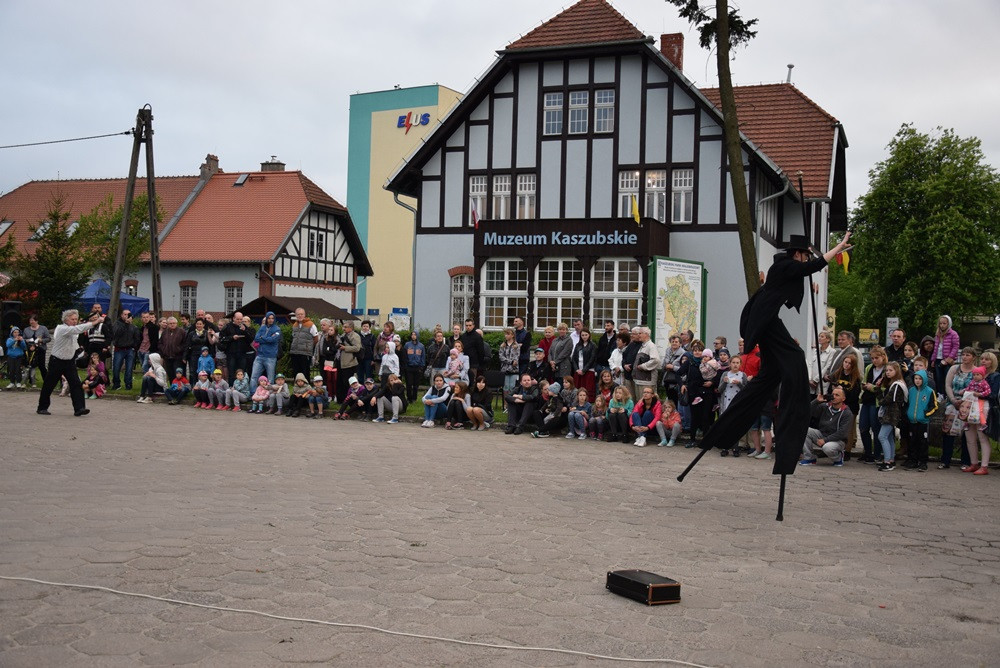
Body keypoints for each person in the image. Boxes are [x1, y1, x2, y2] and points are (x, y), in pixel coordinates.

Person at [690, 232, 853, 480]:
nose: (806, 259)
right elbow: (815, 266)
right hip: (764, 322)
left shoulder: (784, 266)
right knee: (796, 359)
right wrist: (838, 248)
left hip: (764, 320)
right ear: (798, 253)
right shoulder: (786, 265)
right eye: (805, 255)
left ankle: (729, 430)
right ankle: (792, 420)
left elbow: (810, 267)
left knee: (771, 373)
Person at [37, 309, 107, 416]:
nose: (75, 321)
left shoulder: (73, 331)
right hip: (57, 361)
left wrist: (79, 352)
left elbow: (74, 342)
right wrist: (95, 322)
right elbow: (78, 329)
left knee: (76, 384)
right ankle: (42, 407)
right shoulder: (62, 328)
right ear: (66, 320)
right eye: (72, 319)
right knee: (49, 384)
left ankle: (79, 408)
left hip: (69, 362)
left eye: (76, 319)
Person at [939, 347, 977, 469]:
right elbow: (948, 385)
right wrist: (953, 400)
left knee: (967, 434)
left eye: (968, 355)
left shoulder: (976, 371)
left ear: (974, 357)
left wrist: (964, 401)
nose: (965, 357)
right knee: (948, 431)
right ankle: (945, 460)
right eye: (964, 354)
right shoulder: (954, 368)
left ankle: (965, 461)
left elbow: (977, 387)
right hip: (953, 402)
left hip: (968, 405)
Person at [798, 386, 854, 467]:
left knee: (827, 448)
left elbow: (842, 433)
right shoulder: (825, 406)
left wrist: (825, 440)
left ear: (843, 399)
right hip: (822, 434)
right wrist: (817, 401)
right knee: (803, 429)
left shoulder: (847, 413)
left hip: (838, 440)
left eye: (837, 395)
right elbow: (807, 411)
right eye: (832, 394)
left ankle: (838, 457)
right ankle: (810, 458)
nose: (833, 397)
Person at [875, 361, 908, 471]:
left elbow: (886, 401)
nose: (888, 373)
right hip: (891, 413)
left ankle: (887, 461)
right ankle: (891, 459)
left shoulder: (897, 385)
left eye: (890, 370)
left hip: (891, 414)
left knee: (882, 436)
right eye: (886, 370)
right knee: (889, 437)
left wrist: (877, 390)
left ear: (897, 371)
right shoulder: (894, 384)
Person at [902, 369, 937, 471]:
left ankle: (923, 462)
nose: (917, 381)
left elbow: (934, 406)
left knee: (923, 442)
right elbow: (907, 404)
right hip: (912, 421)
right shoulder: (911, 390)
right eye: (916, 378)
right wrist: (907, 414)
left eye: (920, 379)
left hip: (923, 422)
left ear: (924, 379)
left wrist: (925, 414)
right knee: (912, 441)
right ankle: (913, 460)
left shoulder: (929, 392)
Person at [960, 365, 992, 475]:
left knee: (982, 437)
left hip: (981, 408)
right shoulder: (972, 382)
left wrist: (979, 394)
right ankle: (974, 463)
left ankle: (984, 466)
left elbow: (989, 392)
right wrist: (963, 391)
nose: (975, 376)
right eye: (974, 374)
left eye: (977, 374)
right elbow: (968, 388)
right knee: (970, 438)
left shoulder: (985, 382)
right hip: (969, 407)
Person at [859, 345, 887, 464]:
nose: (874, 360)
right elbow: (865, 381)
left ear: (883, 357)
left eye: (877, 358)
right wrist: (865, 385)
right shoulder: (869, 367)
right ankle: (867, 452)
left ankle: (877, 454)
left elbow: (885, 388)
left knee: (876, 428)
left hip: (877, 402)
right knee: (863, 427)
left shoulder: (886, 369)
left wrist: (873, 387)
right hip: (866, 400)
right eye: (872, 358)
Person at [717, 354, 747, 457]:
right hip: (726, 403)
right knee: (725, 426)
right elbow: (719, 390)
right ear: (730, 364)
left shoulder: (743, 375)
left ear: (740, 364)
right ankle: (725, 447)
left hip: (737, 403)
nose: (735, 365)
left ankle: (735, 447)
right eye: (733, 363)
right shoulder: (725, 374)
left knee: (735, 426)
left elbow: (746, 391)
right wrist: (724, 382)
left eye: (737, 363)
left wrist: (739, 383)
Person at [287, 308, 318, 380]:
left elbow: (316, 338)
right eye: (298, 314)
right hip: (295, 352)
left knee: (305, 373)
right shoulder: (294, 325)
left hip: (305, 353)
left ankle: (307, 389)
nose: (300, 316)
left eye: (302, 314)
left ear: (304, 315)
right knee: (296, 372)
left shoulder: (311, 324)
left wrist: (309, 347)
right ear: (296, 315)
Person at [932, 315, 960, 393]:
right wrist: (933, 359)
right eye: (940, 323)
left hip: (947, 360)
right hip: (938, 359)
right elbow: (936, 348)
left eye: (944, 323)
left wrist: (949, 358)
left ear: (948, 324)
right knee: (939, 378)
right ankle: (941, 394)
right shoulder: (938, 334)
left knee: (948, 379)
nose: (942, 325)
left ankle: (948, 394)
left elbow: (955, 347)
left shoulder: (953, 334)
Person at [252, 311, 282, 383]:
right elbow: (256, 339)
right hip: (260, 355)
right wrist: (267, 338)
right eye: (269, 318)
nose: (271, 320)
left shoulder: (277, 329)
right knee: (254, 376)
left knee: (270, 378)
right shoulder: (262, 328)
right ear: (266, 319)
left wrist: (262, 337)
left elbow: (272, 340)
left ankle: (270, 393)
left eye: (272, 318)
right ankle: (253, 392)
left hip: (270, 357)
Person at [23, 315, 51, 388]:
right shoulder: (26, 329)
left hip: (41, 349)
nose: (31, 322)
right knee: (30, 365)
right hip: (30, 350)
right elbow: (24, 339)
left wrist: (41, 340)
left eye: (33, 320)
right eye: (30, 320)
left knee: (42, 366)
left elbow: (48, 338)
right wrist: (28, 342)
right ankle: (30, 381)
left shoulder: (43, 328)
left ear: (37, 321)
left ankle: (47, 382)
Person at [337, 321, 362, 402]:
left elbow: (357, 348)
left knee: (347, 382)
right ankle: (341, 399)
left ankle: (349, 399)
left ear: (351, 328)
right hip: (341, 362)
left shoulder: (355, 336)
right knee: (340, 382)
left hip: (350, 362)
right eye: (343, 327)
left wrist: (345, 348)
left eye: (345, 327)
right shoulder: (343, 335)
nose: (343, 328)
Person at [632, 328, 661, 398]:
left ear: (646, 334)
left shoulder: (651, 346)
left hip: (647, 382)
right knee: (640, 403)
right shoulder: (642, 346)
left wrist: (642, 366)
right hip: (639, 380)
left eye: (640, 333)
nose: (638, 335)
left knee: (646, 403)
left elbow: (656, 360)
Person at [157, 317, 188, 381]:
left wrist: (179, 349)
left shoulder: (182, 332)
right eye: (170, 323)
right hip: (167, 357)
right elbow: (160, 343)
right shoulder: (165, 332)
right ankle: (172, 387)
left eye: (174, 323)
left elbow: (185, 344)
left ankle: (181, 388)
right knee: (170, 374)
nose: (172, 324)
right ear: (168, 324)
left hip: (178, 357)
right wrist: (164, 349)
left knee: (178, 373)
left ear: (176, 324)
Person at [571, 327, 597, 402]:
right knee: (578, 389)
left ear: (589, 335)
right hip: (578, 371)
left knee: (587, 389)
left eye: (586, 335)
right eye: (582, 335)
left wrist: (584, 370)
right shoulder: (578, 345)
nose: (584, 337)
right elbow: (573, 358)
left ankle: (588, 404)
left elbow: (592, 359)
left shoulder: (592, 345)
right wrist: (576, 369)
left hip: (588, 370)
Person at [808, 330, 835, 396]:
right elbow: (810, 364)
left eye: (822, 336)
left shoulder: (832, 351)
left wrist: (815, 380)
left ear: (828, 339)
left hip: (821, 384)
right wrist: (810, 379)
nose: (819, 338)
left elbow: (827, 367)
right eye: (819, 336)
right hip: (811, 384)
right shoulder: (815, 351)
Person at [403, 330, 426, 402]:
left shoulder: (421, 346)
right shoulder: (407, 345)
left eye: (415, 335)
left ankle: (414, 398)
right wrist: (406, 365)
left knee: (416, 385)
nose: (413, 336)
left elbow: (423, 356)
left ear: (417, 336)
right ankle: (409, 398)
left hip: (417, 367)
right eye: (412, 334)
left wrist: (422, 366)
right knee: (409, 384)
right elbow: (404, 355)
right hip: (409, 367)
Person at [661, 335, 685, 403]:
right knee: (669, 400)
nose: (674, 343)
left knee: (675, 400)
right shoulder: (668, 350)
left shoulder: (683, 353)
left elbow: (683, 369)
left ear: (680, 344)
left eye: (676, 342)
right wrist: (665, 366)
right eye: (672, 341)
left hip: (676, 381)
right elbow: (664, 363)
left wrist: (673, 367)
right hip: (667, 379)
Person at [498, 328, 521, 393]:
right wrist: (510, 362)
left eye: (508, 334)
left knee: (512, 386)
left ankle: (511, 402)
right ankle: (505, 402)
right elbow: (501, 357)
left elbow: (516, 357)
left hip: (514, 369)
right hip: (504, 369)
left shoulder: (516, 346)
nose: (506, 336)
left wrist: (513, 363)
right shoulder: (503, 345)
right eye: (505, 334)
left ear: (512, 335)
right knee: (505, 387)